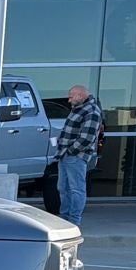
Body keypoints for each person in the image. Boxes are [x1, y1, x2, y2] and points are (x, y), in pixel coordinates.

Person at [54, 84, 102, 226]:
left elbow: (87, 137)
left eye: (71, 96)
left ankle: (73, 220)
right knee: (63, 187)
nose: (69, 100)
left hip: (76, 157)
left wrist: (71, 150)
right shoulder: (78, 109)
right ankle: (64, 218)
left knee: (76, 189)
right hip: (64, 155)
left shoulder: (91, 111)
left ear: (80, 95)